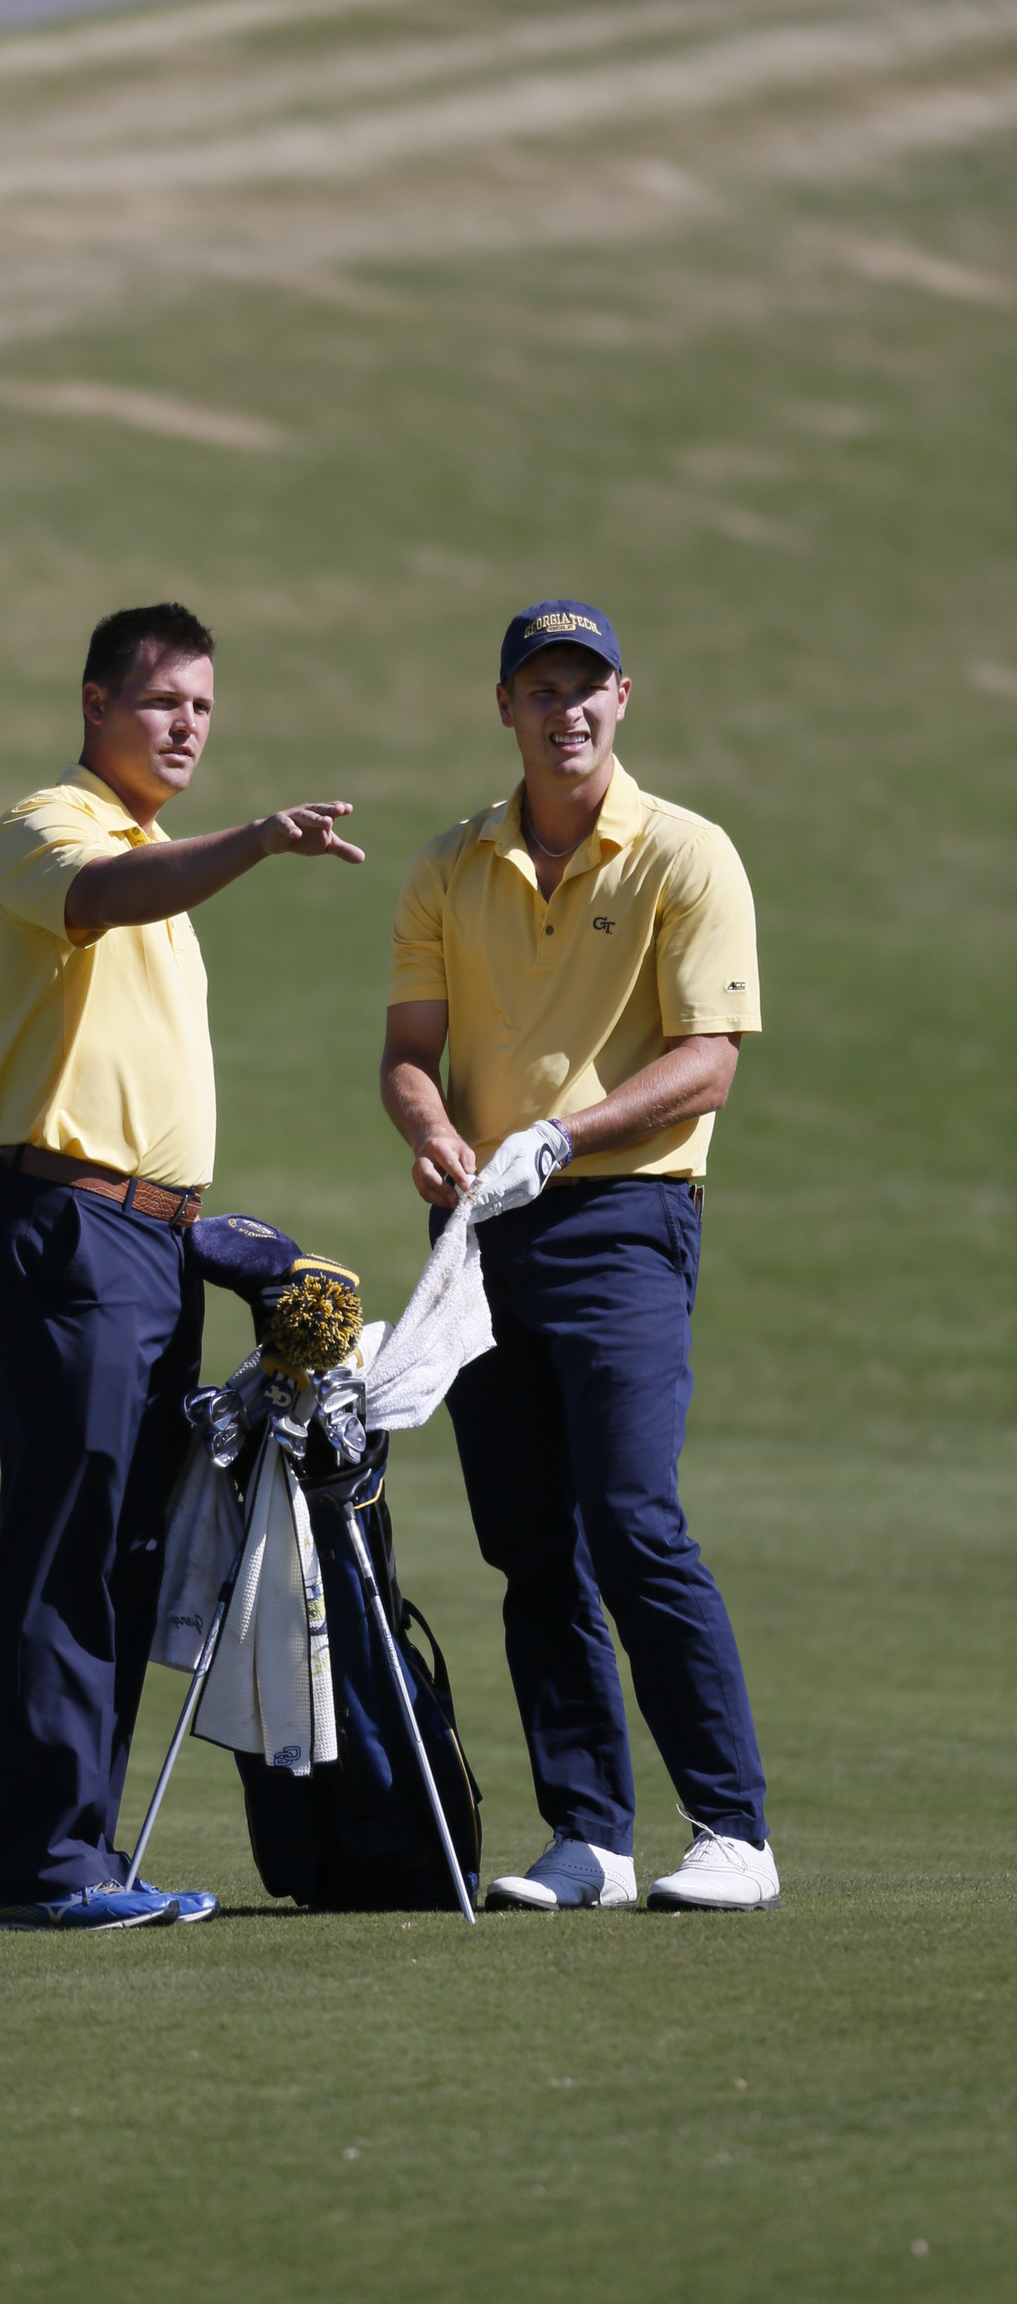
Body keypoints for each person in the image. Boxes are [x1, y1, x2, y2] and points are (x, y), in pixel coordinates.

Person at [0, 602, 363, 1931]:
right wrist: (252, 842)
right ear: (94, 707)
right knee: (69, 1542)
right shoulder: (50, 828)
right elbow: (97, 901)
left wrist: (218, 1242)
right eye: (162, 703)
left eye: (203, 709)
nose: (188, 727)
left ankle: (81, 1851)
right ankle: (41, 1867)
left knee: (126, 1547)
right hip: (67, 1229)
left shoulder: (165, 862)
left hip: (150, 1243)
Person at [379, 601, 778, 1912]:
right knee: (527, 1543)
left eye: (588, 688)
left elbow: (706, 1061)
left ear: (625, 700)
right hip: (482, 1229)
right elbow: (409, 1055)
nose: (568, 711)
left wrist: (564, 1134)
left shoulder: (684, 854)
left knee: (631, 1517)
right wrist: (437, 1132)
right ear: (503, 706)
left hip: (624, 1220)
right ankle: (591, 1836)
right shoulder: (449, 864)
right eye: (541, 687)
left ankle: (732, 1832)